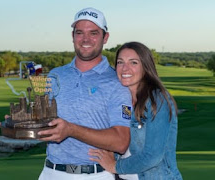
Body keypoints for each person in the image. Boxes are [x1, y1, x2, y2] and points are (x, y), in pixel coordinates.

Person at [37, 7, 132, 180]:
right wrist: (20, 124)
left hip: (96, 175)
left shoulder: (117, 81)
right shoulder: (55, 75)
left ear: (105, 37)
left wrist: (71, 130)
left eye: (93, 33)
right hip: (51, 172)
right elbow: (44, 122)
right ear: (72, 36)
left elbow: (121, 141)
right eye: (79, 33)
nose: (85, 39)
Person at [89, 42, 183, 180]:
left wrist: (115, 166)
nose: (125, 68)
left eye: (133, 63)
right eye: (120, 62)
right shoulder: (121, 101)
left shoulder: (157, 99)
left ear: (145, 67)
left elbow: (152, 156)